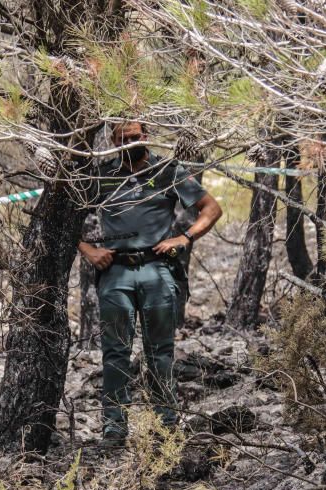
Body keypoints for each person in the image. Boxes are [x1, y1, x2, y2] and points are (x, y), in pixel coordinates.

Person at [79, 121, 223, 446]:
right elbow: (67, 217)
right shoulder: (102, 175)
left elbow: (212, 209)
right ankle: (114, 429)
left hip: (157, 269)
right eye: (123, 139)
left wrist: (184, 238)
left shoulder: (167, 170)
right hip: (115, 270)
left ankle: (165, 426)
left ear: (146, 136)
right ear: (113, 141)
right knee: (115, 353)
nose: (130, 143)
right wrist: (88, 250)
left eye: (135, 136)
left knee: (160, 352)